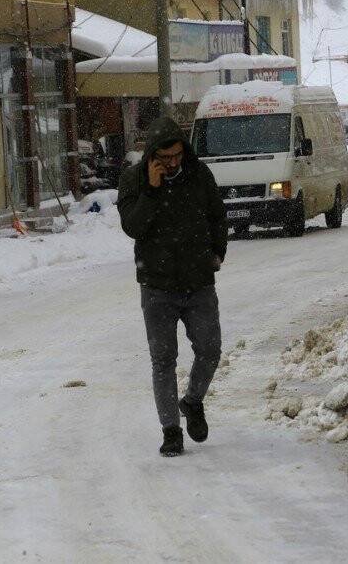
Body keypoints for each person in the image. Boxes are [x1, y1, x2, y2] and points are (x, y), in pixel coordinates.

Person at [117, 116, 228, 457]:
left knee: (210, 350)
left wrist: (216, 254)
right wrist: (151, 190)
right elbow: (133, 227)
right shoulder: (133, 180)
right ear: (152, 155)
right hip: (157, 286)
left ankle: (192, 401)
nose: (172, 163)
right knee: (163, 360)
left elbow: (217, 216)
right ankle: (170, 431)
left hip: (198, 282)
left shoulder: (199, 176)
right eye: (164, 158)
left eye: (177, 156)